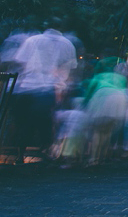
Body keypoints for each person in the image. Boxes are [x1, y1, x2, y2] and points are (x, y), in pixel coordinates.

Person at [8, 27, 77, 163]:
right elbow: (71, 68)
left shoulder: (32, 40)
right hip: (47, 89)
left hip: (26, 88)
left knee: (22, 123)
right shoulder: (67, 43)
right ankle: (45, 152)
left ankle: (20, 154)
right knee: (45, 122)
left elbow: (20, 62)